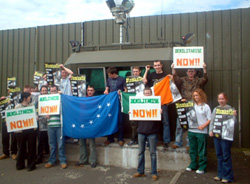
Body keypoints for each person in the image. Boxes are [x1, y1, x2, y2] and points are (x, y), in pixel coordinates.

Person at [171, 63, 208, 150]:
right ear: (187, 72)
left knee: (191, 124)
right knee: (180, 123)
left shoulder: (198, 80)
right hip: (183, 104)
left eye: (192, 71)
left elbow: (205, 80)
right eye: (189, 71)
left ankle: (189, 143)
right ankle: (178, 142)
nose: (190, 72)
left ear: (194, 72)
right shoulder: (183, 79)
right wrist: (173, 69)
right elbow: (175, 78)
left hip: (194, 104)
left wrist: (204, 69)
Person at [132, 87, 161, 181]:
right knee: (140, 153)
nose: (147, 95)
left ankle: (154, 173)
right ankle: (140, 171)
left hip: (152, 133)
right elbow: (135, 119)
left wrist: (160, 113)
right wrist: (131, 113)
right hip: (141, 132)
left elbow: (160, 121)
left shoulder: (156, 104)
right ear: (143, 94)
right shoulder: (139, 104)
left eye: (148, 93)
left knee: (153, 153)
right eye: (146, 93)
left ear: (151, 94)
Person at [143, 60, 170, 148]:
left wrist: (172, 75)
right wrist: (147, 70)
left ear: (161, 65)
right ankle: (154, 140)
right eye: (155, 65)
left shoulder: (166, 75)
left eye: (158, 65)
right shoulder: (152, 75)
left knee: (165, 122)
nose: (157, 67)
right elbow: (144, 81)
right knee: (154, 122)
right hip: (154, 102)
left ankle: (166, 141)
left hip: (164, 101)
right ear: (153, 67)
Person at [209, 92, 236, 183]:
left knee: (226, 155)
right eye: (219, 99)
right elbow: (212, 121)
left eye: (223, 99)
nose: (221, 100)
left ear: (226, 99)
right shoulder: (215, 109)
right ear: (217, 100)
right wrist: (210, 130)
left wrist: (234, 116)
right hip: (216, 136)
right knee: (219, 155)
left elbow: (233, 123)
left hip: (225, 137)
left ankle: (228, 176)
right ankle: (220, 175)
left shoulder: (230, 109)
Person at [186, 88, 211, 174]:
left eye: (197, 95)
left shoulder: (205, 106)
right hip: (191, 130)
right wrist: (183, 102)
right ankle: (193, 164)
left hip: (201, 131)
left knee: (202, 150)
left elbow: (210, 119)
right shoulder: (191, 105)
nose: (195, 97)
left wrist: (203, 126)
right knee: (192, 148)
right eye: (194, 95)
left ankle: (202, 167)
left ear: (201, 95)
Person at [103, 67, 127, 146]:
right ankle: (110, 138)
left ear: (114, 74)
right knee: (110, 120)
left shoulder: (122, 79)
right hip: (111, 103)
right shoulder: (109, 80)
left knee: (120, 121)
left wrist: (122, 93)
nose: (109, 76)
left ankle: (120, 138)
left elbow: (126, 90)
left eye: (110, 75)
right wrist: (106, 91)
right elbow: (107, 88)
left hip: (119, 102)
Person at [45, 85, 67, 169]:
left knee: (61, 144)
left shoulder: (61, 100)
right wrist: (45, 115)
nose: (53, 92)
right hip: (50, 125)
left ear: (57, 91)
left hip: (59, 125)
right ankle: (51, 161)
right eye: (51, 91)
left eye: (54, 91)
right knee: (52, 144)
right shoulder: (46, 101)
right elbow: (42, 112)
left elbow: (65, 109)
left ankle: (62, 161)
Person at [75, 85, 97, 168]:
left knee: (92, 143)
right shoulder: (82, 100)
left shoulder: (97, 99)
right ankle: (83, 160)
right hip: (82, 123)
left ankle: (93, 161)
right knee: (82, 143)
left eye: (91, 90)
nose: (90, 92)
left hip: (91, 124)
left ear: (94, 91)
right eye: (88, 90)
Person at [15, 92, 37, 171]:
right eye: (29, 97)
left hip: (31, 130)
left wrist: (36, 118)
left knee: (31, 148)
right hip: (21, 131)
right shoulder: (18, 107)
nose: (30, 98)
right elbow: (15, 118)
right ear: (25, 98)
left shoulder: (31, 106)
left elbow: (35, 115)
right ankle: (20, 164)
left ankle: (31, 165)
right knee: (21, 148)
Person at [127, 66, 144, 146]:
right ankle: (133, 139)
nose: (135, 73)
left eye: (136, 71)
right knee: (133, 123)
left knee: (143, 123)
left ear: (140, 71)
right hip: (133, 104)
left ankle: (143, 140)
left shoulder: (143, 79)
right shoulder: (129, 80)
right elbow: (126, 91)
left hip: (142, 104)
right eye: (134, 71)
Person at [0, 96, 18, 160]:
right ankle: (5, 153)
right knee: (5, 137)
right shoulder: (3, 99)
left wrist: (11, 102)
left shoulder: (15, 98)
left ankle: (14, 152)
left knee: (14, 137)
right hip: (4, 120)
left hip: (12, 120)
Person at [36, 85, 50, 164]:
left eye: (45, 90)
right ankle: (39, 157)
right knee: (40, 142)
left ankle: (48, 156)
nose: (44, 92)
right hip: (40, 125)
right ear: (40, 92)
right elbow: (35, 111)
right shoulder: (37, 101)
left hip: (48, 125)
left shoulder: (50, 100)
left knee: (47, 141)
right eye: (43, 90)